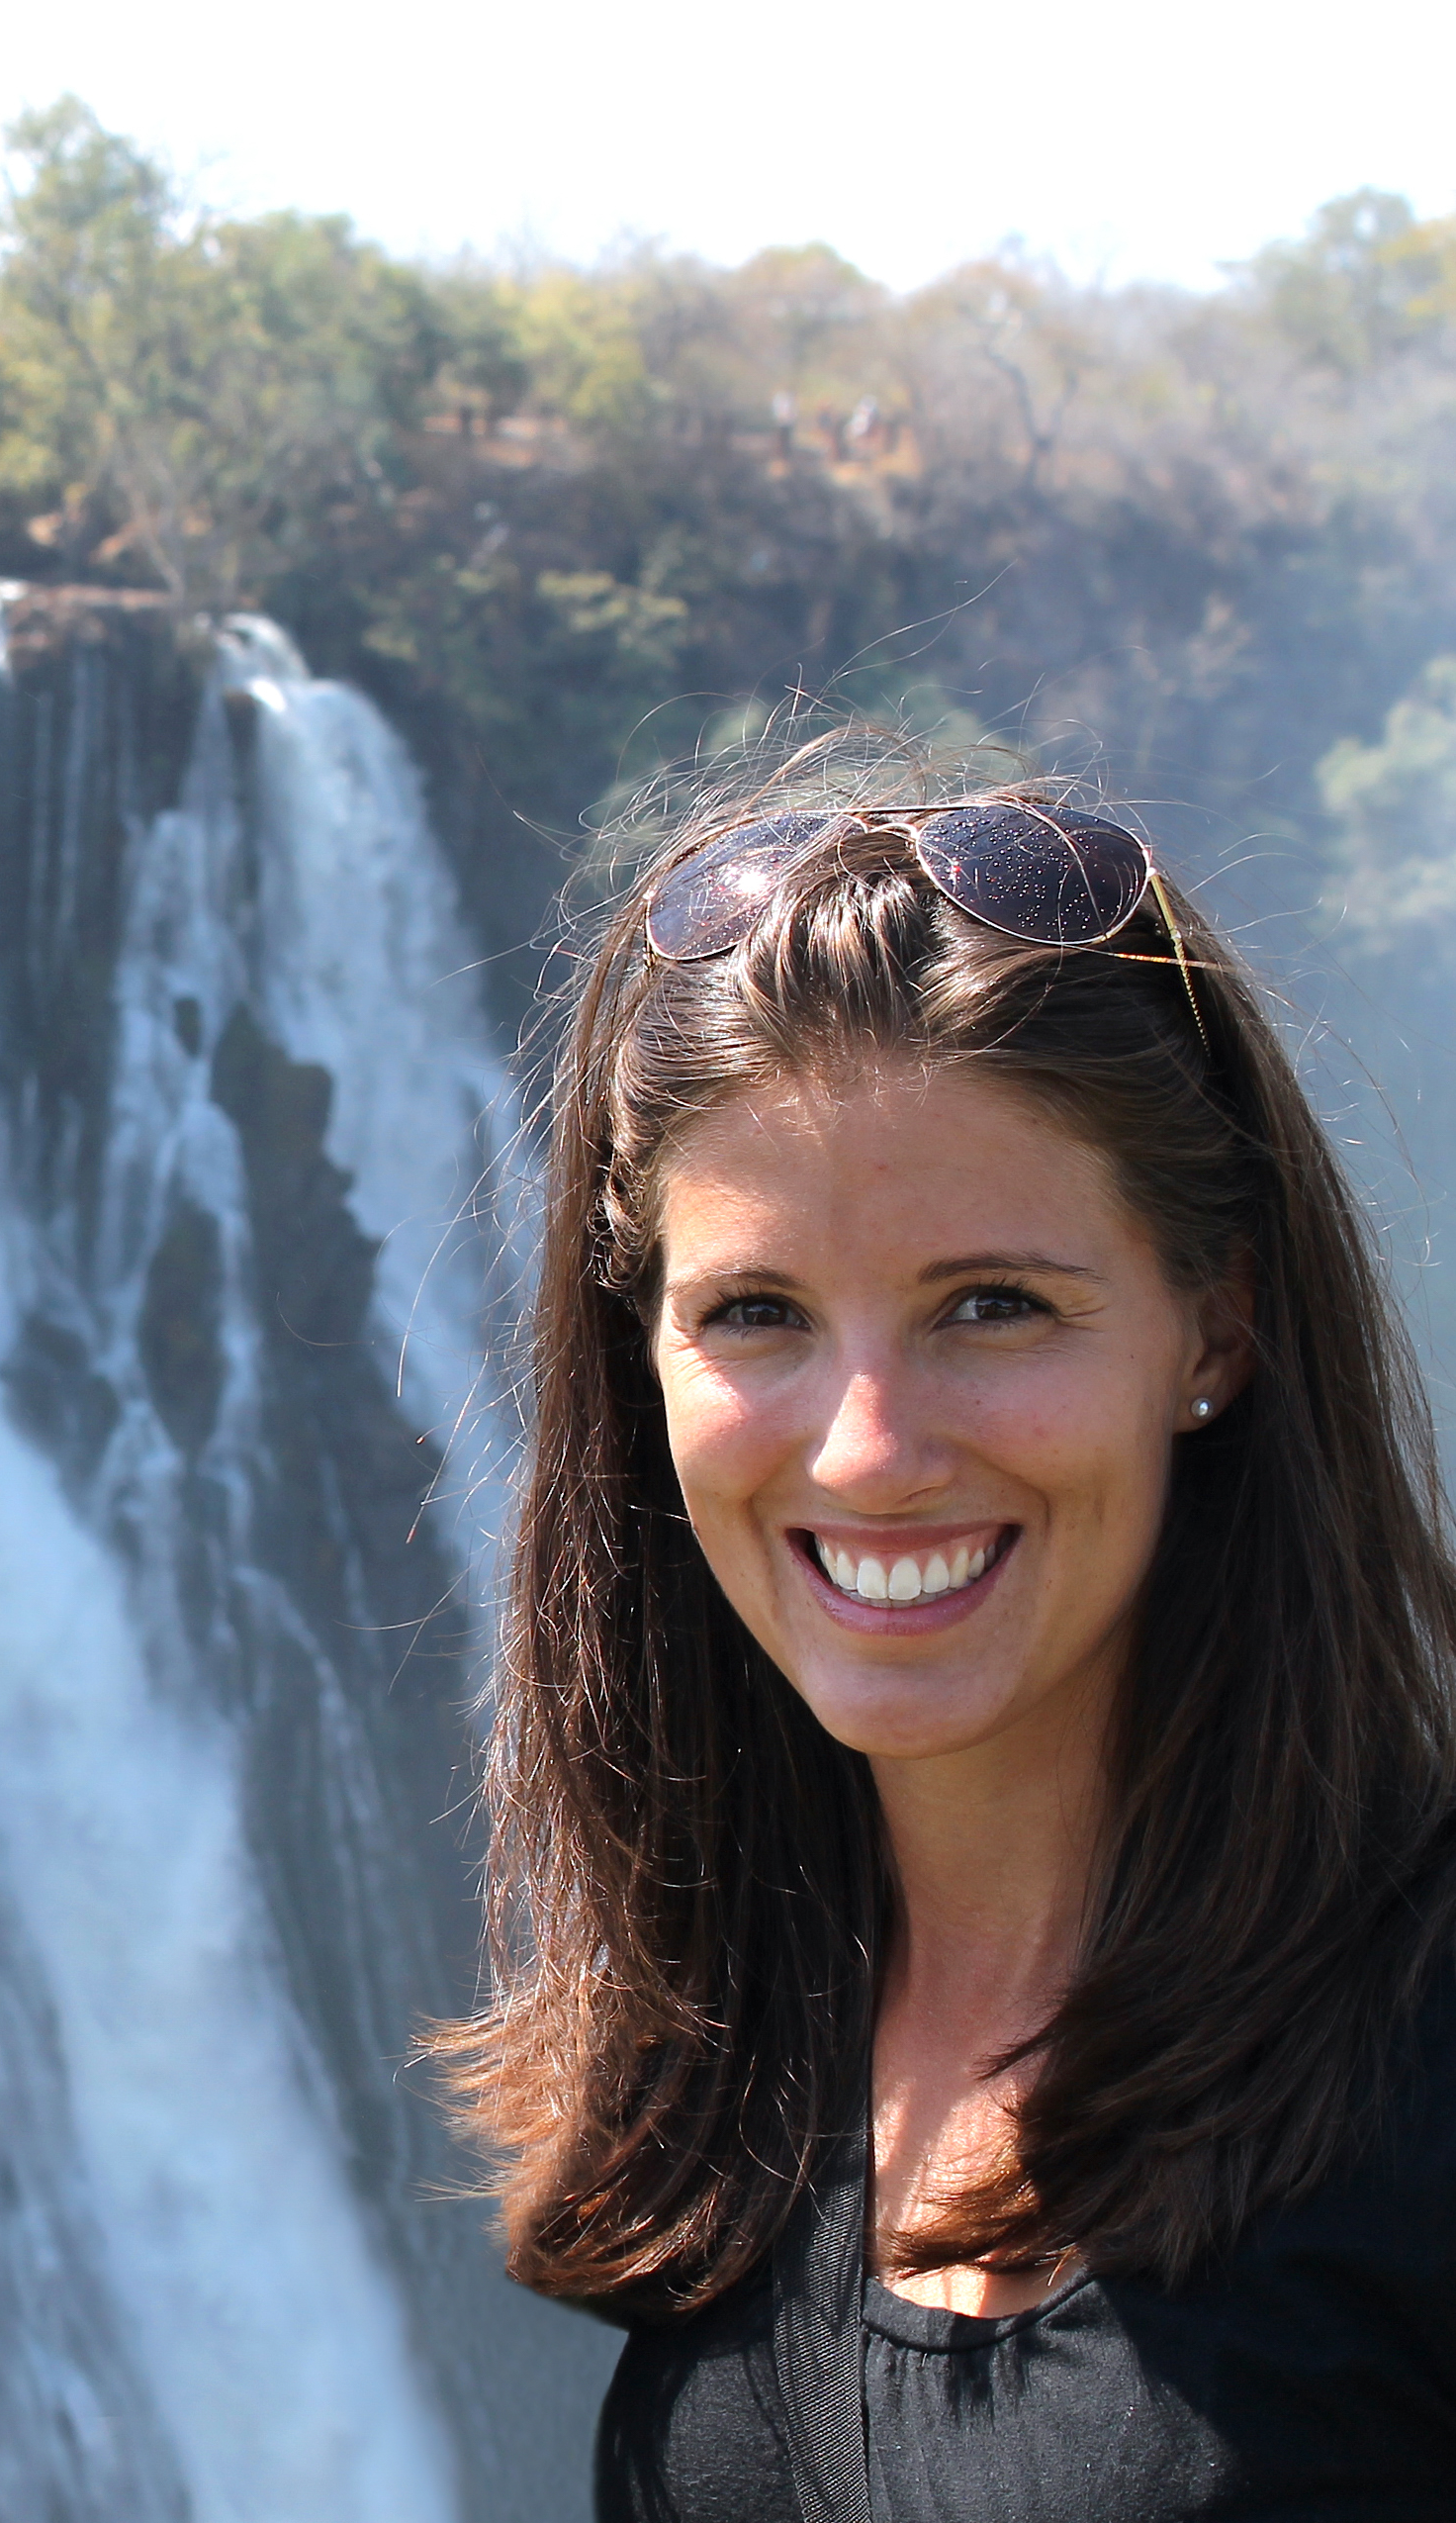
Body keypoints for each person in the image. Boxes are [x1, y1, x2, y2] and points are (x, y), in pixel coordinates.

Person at [437, 749, 1456, 2519]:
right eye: (755, 1313)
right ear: (645, 1369)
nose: (869, 1449)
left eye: (991, 1304)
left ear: (1210, 1327)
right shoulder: (727, 2068)